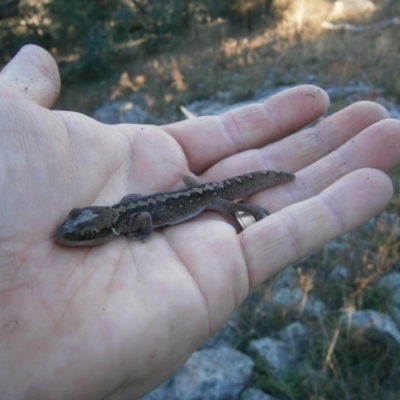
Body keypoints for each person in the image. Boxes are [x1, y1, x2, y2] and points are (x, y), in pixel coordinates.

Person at [0, 44, 400, 399]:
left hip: (202, 197)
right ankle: (245, 200)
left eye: (82, 233)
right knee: (212, 195)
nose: (74, 236)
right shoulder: (116, 213)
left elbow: (140, 211)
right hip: (191, 193)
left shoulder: (125, 220)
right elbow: (133, 203)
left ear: (103, 228)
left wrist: (143, 233)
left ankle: (257, 207)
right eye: (81, 232)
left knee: (222, 203)